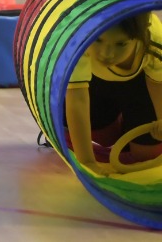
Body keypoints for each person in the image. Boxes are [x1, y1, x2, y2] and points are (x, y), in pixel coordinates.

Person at [66, 14, 162, 175]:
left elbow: (157, 83)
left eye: (121, 43)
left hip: (140, 85)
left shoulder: (154, 41)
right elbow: (77, 100)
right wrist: (87, 162)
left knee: (147, 156)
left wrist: (160, 120)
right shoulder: (79, 41)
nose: (107, 53)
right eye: (98, 40)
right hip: (96, 82)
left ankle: (131, 123)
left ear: (142, 35)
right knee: (103, 137)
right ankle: (123, 124)